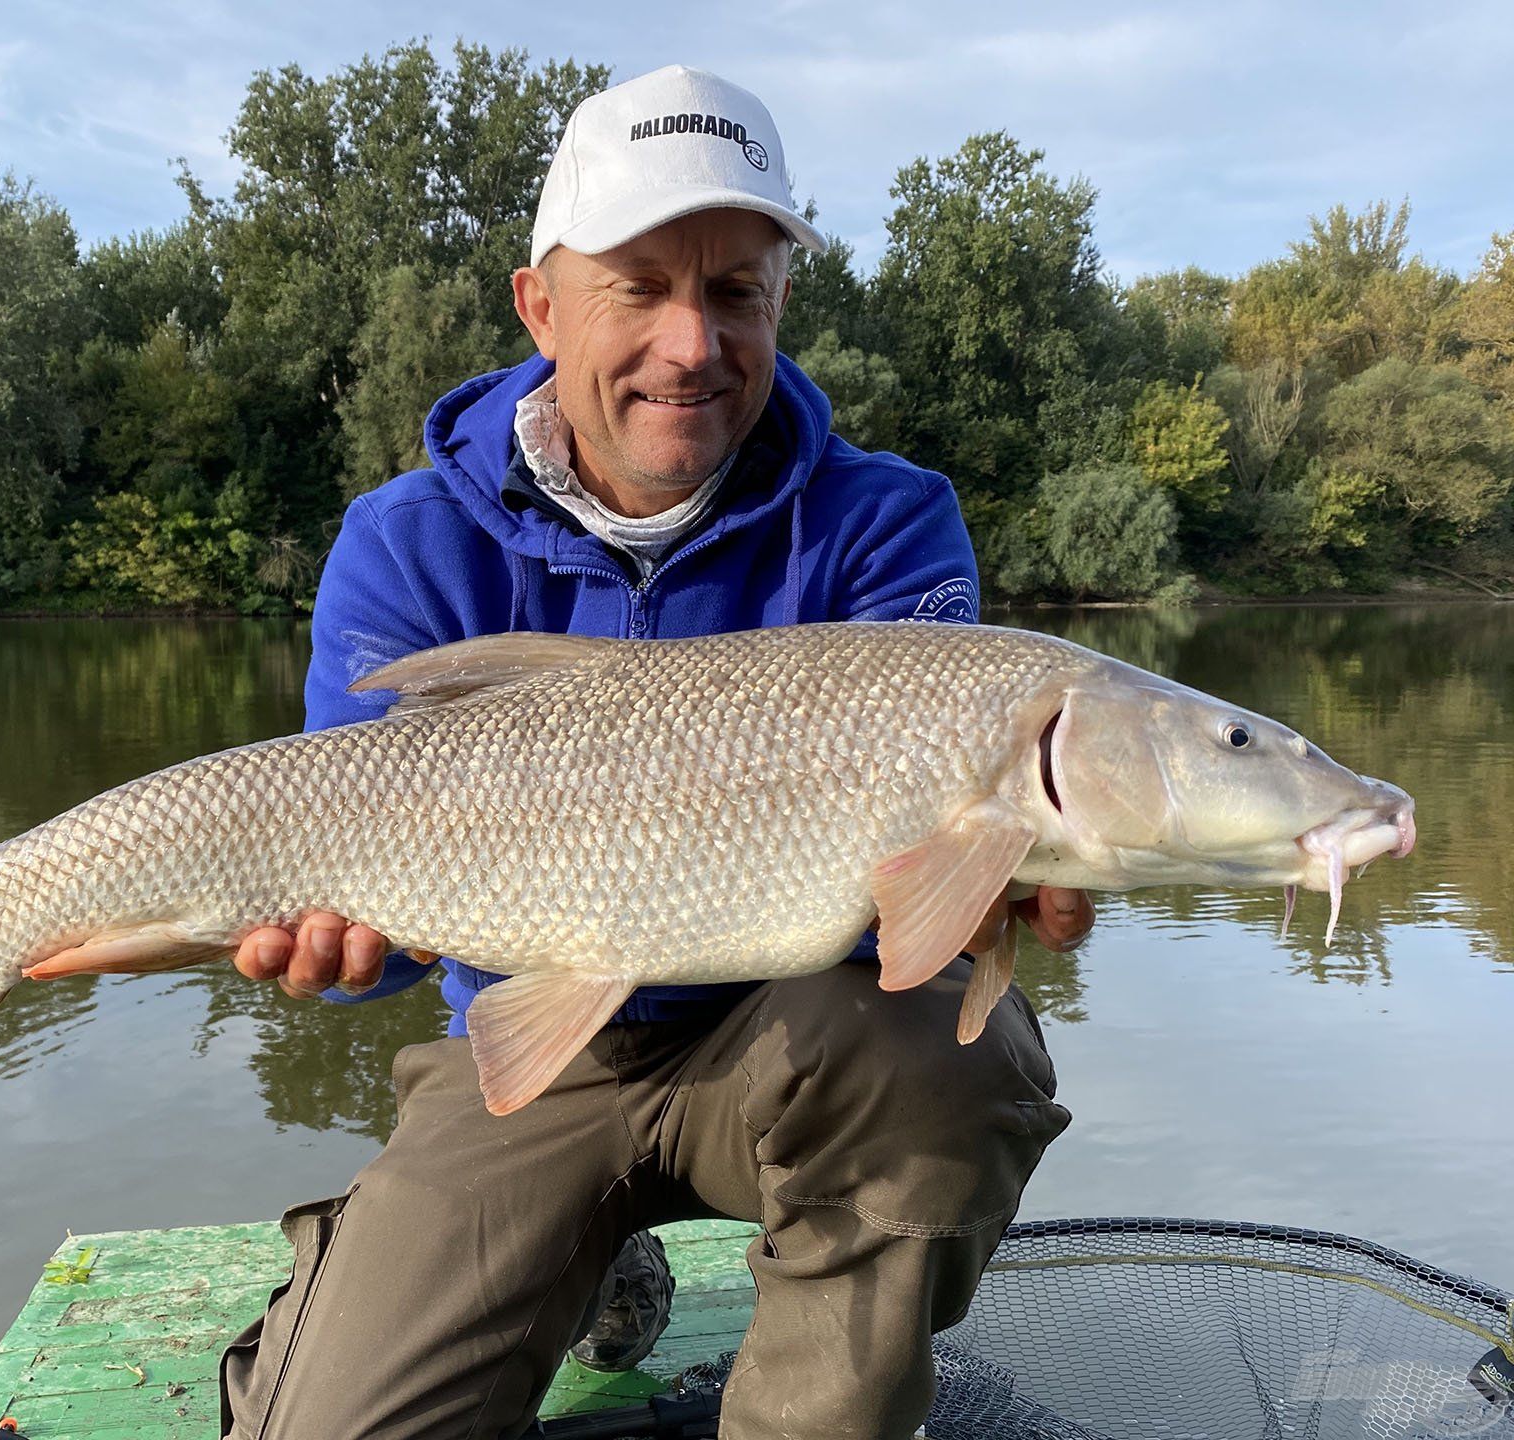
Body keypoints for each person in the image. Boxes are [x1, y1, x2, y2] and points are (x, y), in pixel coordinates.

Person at [219, 64, 1090, 1440]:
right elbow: (349, 929)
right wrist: (338, 957)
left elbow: (901, 928)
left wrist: (975, 904)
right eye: (638, 284)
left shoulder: (888, 526)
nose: (694, 342)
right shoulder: (401, 544)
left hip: (782, 1036)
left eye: (737, 290)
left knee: (951, 1054)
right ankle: (567, 1245)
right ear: (540, 304)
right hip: (526, 1046)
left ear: (782, 302)